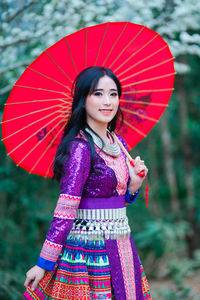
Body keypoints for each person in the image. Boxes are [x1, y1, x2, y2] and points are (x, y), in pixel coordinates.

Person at [24, 66, 152, 300]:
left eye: (113, 94)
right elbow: (65, 209)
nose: (107, 102)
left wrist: (133, 186)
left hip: (122, 244)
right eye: (98, 93)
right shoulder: (81, 147)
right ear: (83, 100)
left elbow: (114, 201)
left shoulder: (118, 141)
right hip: (89, 251)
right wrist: (44, 263)